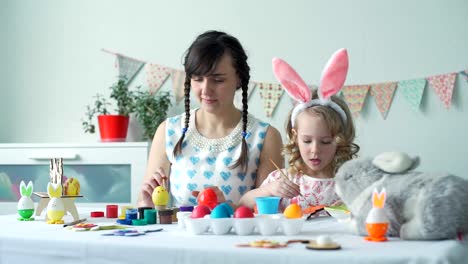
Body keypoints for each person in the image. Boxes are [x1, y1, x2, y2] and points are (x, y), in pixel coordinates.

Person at [138, 30, 283, 208]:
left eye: (218, 80)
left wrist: (228, 209)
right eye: (198, 79)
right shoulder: (169, 131)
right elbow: (147, 206)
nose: (206, 89)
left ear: (238, 79)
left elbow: (269, 210)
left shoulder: (266, 137)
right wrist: (146, 204)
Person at [239, 49, 359, 211]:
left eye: (325, 141)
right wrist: (268, 190)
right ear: (295, 136)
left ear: (339, 139)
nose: (315, 150)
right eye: (307, 140)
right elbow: (243, 204)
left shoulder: (347, 184)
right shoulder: (282, 179)